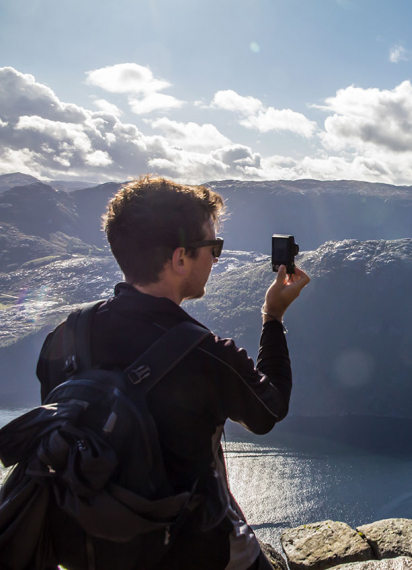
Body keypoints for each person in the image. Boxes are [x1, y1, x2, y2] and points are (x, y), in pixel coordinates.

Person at [34, 176, 310, 569]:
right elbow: (269, 411)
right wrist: (272, 317)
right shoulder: (206, 355)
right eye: (213, 247)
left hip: (93, 549)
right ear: (181, 258)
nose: (216, 259)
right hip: (190, 550)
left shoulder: (64, 337)